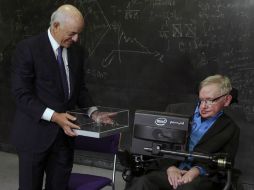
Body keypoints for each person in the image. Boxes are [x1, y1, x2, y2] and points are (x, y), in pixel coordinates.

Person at [11, 4, 113, 190]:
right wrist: (55, 116)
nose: (76, 38)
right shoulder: (28, 48)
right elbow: (21, 94)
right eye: (72, 33)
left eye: (79, 33)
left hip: (64, 140)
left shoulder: (77, 51)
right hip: (33, 135)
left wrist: (93, 112)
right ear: (56, 26)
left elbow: (79, 89)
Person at [125, 74, 240, 190]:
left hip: (202, 177)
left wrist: (196, 171)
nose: (203, 106)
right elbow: (157, 146)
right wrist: (170, 167)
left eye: (210, 101)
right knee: (144, 182)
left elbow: (224, 164)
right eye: (201, 100)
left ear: (226, 100)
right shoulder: (175, 111)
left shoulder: (230, 128)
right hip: (169, 169)